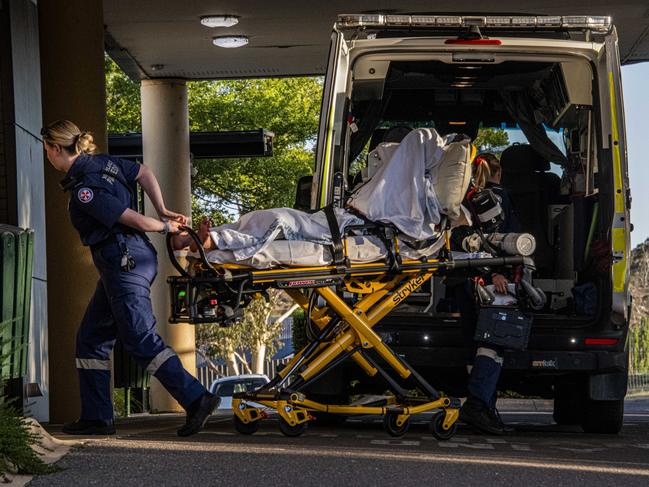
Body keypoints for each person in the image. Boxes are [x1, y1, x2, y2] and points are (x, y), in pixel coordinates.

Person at [41, 120, 219, 436]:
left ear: (55, 149)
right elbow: (144, 172)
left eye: (46, 151)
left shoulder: (85, 188)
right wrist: (163, 209)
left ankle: (197, 398)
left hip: (124, 263)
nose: (47, 156)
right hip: (126, 263)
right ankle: (97, 417)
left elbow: (131, 219)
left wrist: (164, 224)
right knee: (92, 339)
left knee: (139, 337)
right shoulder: (104, 163)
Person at [456, 152, 520, 435]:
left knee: (477, 348)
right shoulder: (498, 198)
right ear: (499, 172)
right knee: (494, 345)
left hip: (465, 282)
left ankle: (485, 410)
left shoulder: (463, 198)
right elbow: (506, 241)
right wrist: (496, 274)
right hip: (492, 283)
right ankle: (479, 404)